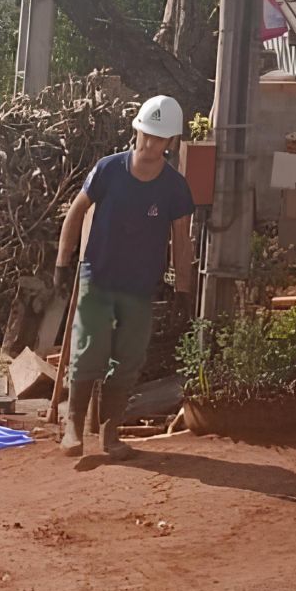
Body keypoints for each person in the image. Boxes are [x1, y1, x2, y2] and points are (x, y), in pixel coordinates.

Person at [54, 95, 195, 460]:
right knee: (88, 351)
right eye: (145, 135)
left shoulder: (174, 187)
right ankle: (73, 427)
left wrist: (183, 290)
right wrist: (62, 262)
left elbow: (182, 240)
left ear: (171, 142)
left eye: (158, 138)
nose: (150, 144)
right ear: (136, 130)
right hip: (98, 278)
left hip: (139, 287)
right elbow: (75, 214)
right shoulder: (108, 170)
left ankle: (111, 434)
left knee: (129, 358)